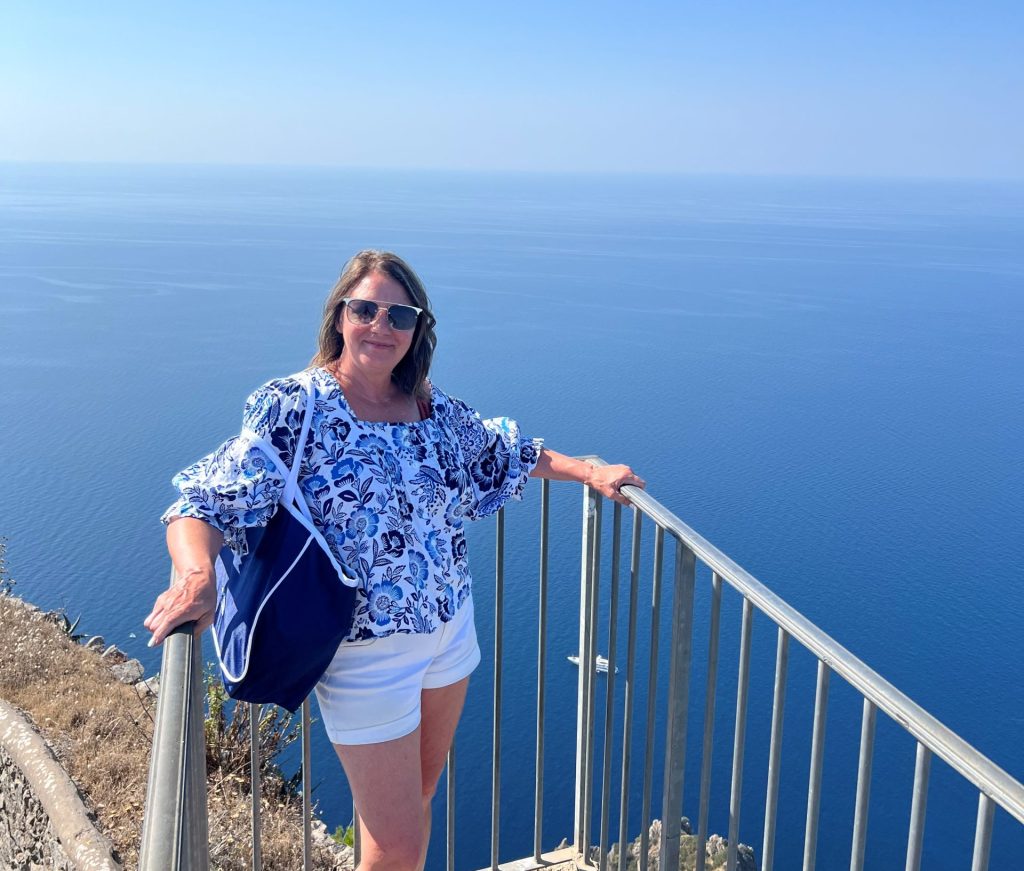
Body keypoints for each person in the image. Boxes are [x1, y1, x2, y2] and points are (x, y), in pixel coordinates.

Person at [144, 250, 645, 871]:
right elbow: (203, 503)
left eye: (400, 314)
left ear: (418, 329)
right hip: (365, 656)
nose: (381, 325)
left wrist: (590, 470)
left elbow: (508, 451)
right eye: (366, 309)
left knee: (417, 800)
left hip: (449, 636)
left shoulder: (430, 408)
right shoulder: (294, 408)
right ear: (339, 316)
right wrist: (197, 578)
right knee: (400, 847)